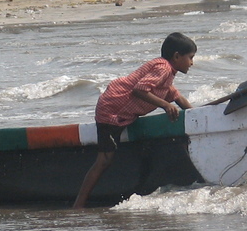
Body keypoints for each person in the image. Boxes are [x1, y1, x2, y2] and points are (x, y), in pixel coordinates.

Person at [73, 32, 196, 209]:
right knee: (104, 160)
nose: (192, 63)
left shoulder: (167, 75)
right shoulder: (163, 68)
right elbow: (139, 90)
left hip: (122, 114)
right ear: (177, 56)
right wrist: (165, 105)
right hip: (111, 111)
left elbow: (178, 98)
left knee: (108, 159)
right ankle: (78, 205)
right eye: (190, 57)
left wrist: (199, 115)